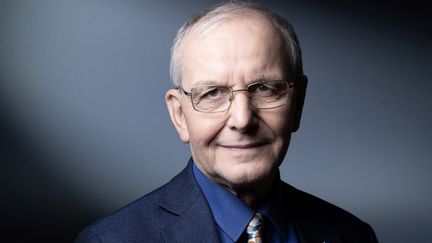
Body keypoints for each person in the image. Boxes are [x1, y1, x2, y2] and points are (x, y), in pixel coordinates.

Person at [76, 2, 378, 242]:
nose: (243, 119)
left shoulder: (351, 234)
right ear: (179, 115)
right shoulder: (111, 239)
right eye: (213, 93)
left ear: (297, 103)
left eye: (264, 88)